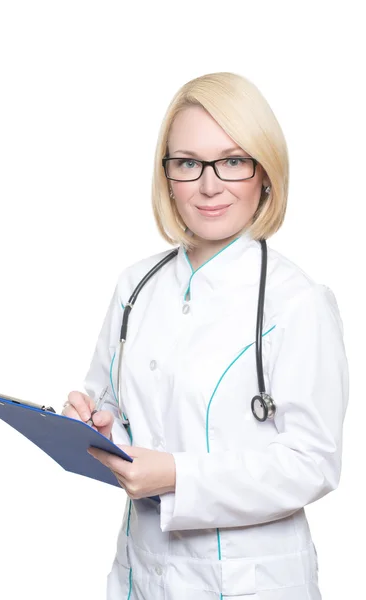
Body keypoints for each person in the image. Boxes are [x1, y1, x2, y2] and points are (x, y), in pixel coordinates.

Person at [62, 72, 349, 599]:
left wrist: (175, 475)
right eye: (188, 163)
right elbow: (111, 407)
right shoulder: (136, 285)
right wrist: (93, 426)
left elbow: (313, 463)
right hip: (140, 574)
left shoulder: (298, 301)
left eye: (233, 161)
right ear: (167, 175)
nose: (209, 185)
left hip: (252, 581)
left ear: (265, 173)